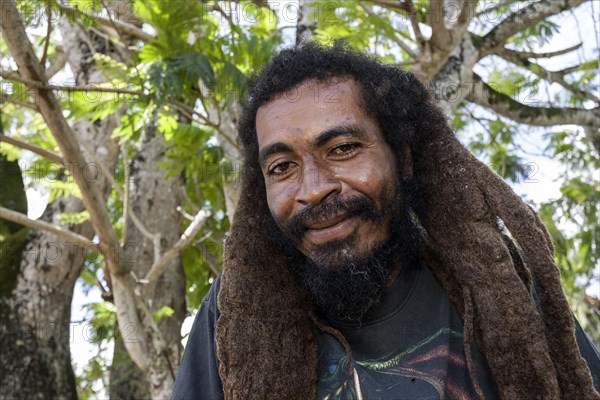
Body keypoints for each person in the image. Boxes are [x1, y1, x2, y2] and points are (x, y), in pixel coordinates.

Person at [172, 42, 600, 399]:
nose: (313, 188)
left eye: (342, 148)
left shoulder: (498, 286)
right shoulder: (234, 309)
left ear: (403, 158)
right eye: (282, 166)